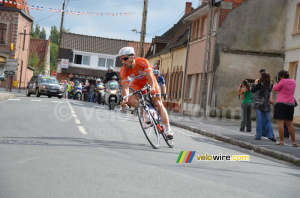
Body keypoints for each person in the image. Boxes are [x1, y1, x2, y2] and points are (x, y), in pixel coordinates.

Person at [118, 47, 173, 139]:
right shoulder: (123, 70)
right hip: (137, 82)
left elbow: (150, 76)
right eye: (121, 59)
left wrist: (151, 88)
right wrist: (125, 100)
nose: (123, 62)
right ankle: (145, 111)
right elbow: (126, 88)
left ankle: (168, 129)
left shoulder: (142, 61)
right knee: (130, 98)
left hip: (149, 80)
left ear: (132, 57)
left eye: (125, 59)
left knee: (158, 103)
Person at [273, 70, 298, 147]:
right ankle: (294, 142)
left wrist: (277, 81)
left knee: (280, 122)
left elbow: (275, 88)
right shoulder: (293, 81)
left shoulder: (282, 81)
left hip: (281, 103)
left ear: (281, 76)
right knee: (290, 123)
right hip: (290, 104)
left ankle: (281, 141)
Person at [251, 72, 276, 142]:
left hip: (258, 103)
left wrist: (254, 84)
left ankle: (258, 136)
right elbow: (270, 91)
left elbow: (253, 91)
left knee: (259, 120)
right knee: (268, 120)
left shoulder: (260, 84)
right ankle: (271, 135)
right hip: (266, 104)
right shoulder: (271, 84)